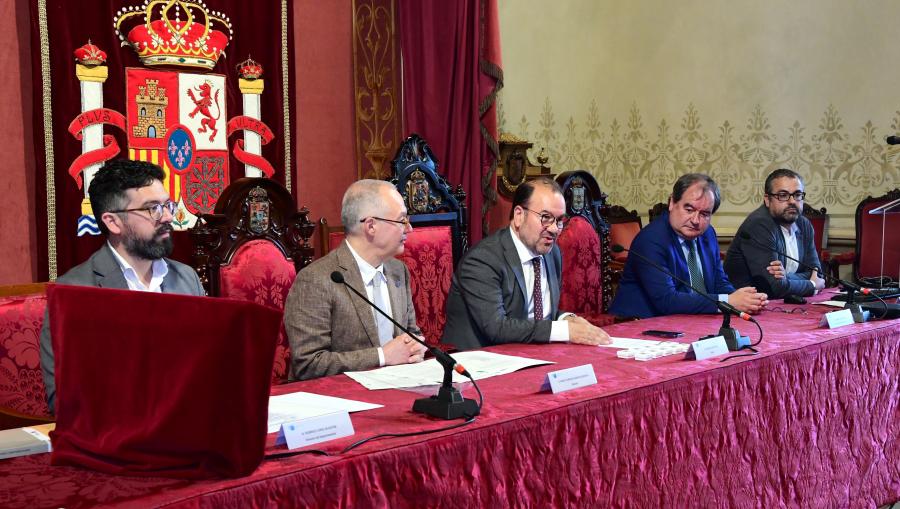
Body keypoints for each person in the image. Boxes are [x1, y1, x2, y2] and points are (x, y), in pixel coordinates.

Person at [39, 159, 205, 412]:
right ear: (113, 222)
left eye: (167, 205)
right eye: (153, 209)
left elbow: (208, 366)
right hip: (116, 438)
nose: (169, 216)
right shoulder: (74, 292)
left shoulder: (186, 278)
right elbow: (63, 400)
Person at [441, 177, 611, 350]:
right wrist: (564, 330)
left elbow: (536, 317)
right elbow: (497, 327)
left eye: (559, 220)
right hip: (477, 362)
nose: (554, 229)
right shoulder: (483, 259)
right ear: (519, 216)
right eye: (546, 217)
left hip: (530, 355)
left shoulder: (553, 254)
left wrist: (566, 319)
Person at [283, 180, 427, 380]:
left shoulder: (398, 271)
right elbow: (308, 364)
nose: (409, 228)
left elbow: (411, 333)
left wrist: (416, 347)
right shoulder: (316, 279)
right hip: (340, 400)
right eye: (401, 220)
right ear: (371, 226)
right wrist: (382, 356)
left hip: (400, 389)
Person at [609, 173, 768, 318]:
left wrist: (745, 300)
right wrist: (728, 301)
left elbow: (718, 282)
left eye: (705, 214)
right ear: (672, 203)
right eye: (689, 209)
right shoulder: (651, 240)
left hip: (689, 319)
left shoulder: (707, 234)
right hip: (638, 324)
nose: (696, 220)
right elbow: (667, 300)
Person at [724, 169, 825, 298]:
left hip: (785, 303)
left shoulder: (804, 224)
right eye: (783, 195)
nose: (792, 201)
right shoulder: (759, 225)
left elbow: (818, 273)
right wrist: (812, 284)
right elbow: (774, 287)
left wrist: (786, 277)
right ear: (767, 199)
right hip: (748, 305)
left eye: (797, 194)